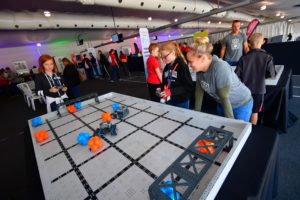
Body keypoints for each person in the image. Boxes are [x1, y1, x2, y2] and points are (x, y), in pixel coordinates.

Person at [187, 39, 253, 122]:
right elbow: (199, 93)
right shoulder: (199, 70)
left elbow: (224, 97)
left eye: (190, 61)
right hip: (222, 104)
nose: (188, 65)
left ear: (203, 58)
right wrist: (196, 115)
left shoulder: (220, 67)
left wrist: (231, 123)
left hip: (240, 103)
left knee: (235, 131)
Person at [235, 33, 276, 124]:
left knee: (244, 110)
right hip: (259, 90)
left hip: (244, 89)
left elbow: (236, 75)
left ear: (249, 44)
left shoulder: (243, 58)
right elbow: (272, 74)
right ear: (262, 42)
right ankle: (252, 132)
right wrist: (261, 75)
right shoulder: (268, 57)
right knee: (254, 112)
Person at [159, 41, 193, 109]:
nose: (163, 60)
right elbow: (165, 80)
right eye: (162, 57)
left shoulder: (182, 65)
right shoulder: (167, 66)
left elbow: (188, 86)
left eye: (165, 57)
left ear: (173, 53)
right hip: (170, 98)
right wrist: (162, 88)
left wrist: (171, 92)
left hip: (181, 100)